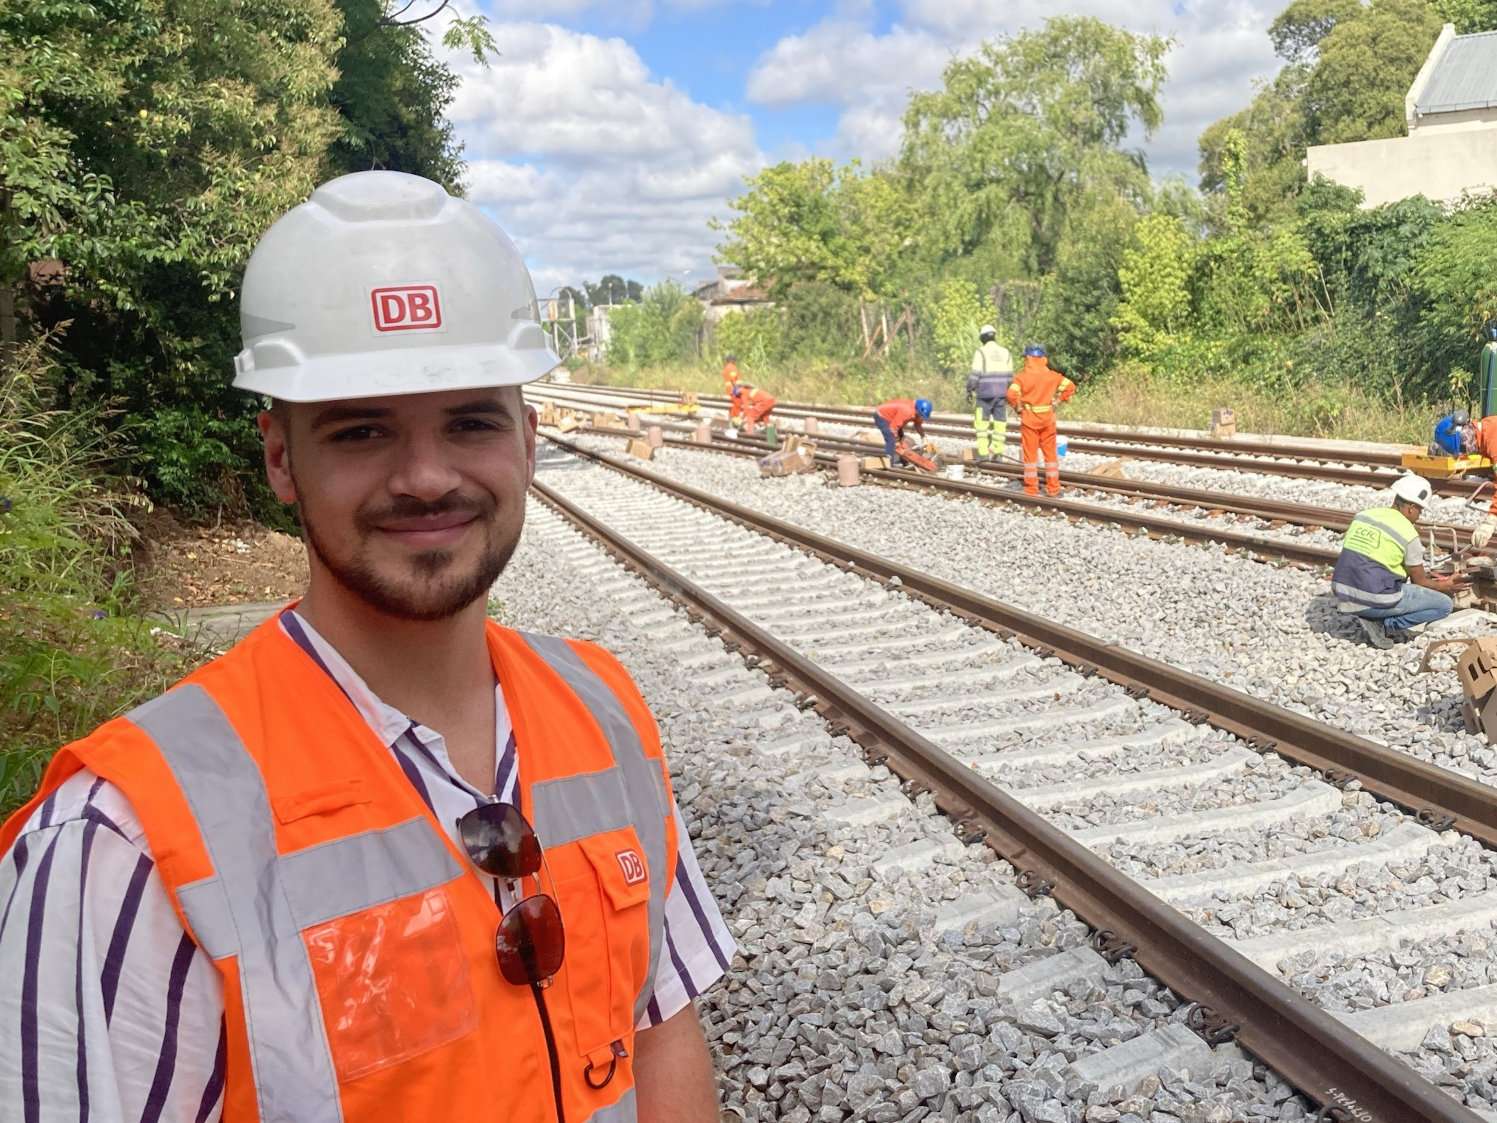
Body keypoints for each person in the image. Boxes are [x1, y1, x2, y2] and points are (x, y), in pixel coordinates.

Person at [0, 172, 731, 1122]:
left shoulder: (605, 711)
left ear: (528, 439)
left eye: (470, 419)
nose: (426, 477)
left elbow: (659, 1029)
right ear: (278, 457)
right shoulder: (124, 840)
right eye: (360, 430)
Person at [1331, 473, 1465, 648]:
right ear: (1410, 508)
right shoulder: (1409, 534)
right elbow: (1420, 581)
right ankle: (1383, 625)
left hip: (1342, 594)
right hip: (1373, 598)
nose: (1419, 515)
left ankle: (1370, 615)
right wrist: (1446, 585)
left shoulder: (1363, 516)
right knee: (1443, 605)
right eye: (1420, 510)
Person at [1005, 344, 1076, 496]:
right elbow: (1070, 387)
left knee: (1030, 457)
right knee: (1051, 456)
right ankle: (1053, 488)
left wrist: (1017, 407)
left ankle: (1031, 489)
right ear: (1043, 359)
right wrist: (1058, 401)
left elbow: (1011, 395)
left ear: (1029, 358)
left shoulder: (1021, 377)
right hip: (1048, 420)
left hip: (1029, 420)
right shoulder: (1053, 376)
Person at [966, 325, 1013, 460]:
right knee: (1000, 423)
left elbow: (975, 374)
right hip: (1002, 394)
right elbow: (1010, 377)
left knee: (981, 425)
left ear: (982, 338)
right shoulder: (1006, 352)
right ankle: (997, 453)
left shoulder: (980, 352)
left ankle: (983, 453)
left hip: (985, 394)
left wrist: (969, 389)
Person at [874, 397, 933, 466]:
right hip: (882, 415)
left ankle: (903, 459)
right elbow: (893, 428)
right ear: (917, 411)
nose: (921, 417)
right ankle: (890, 463)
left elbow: (918, 425)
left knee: (901, 440)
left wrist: (923, 437)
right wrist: (896, 442)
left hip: (894, 416)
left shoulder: (918, 413)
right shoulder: (907, 411)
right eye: (920, 415)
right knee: (891, 439)